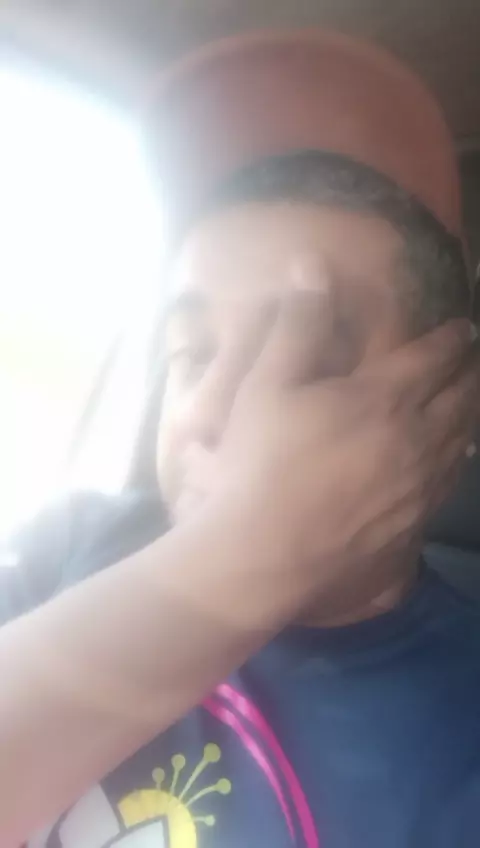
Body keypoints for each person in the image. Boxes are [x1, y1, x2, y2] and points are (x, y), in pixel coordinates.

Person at [1, 29, 479, 848]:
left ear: (449, 411)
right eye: (191, 355)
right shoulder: (71, 548)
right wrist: (245, 551)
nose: (212, 410)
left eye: (308, 358)